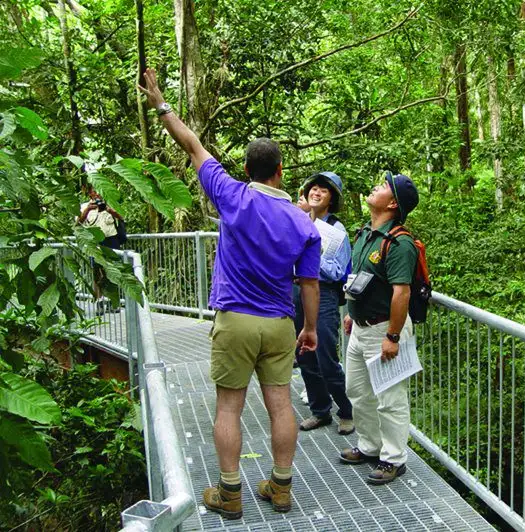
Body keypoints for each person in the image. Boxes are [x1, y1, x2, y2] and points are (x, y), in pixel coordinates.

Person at [139, 68, 322, 519]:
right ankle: (281, 488)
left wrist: (161, 102)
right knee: (281, 404)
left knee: (229, 406)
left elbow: (191, 144)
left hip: (235, 319)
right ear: (282, 172)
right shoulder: (304, 222)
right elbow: (310, 283)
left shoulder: (231, 194)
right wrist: (310, 328)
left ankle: (230, 493)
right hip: (280, 323)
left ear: (246, 169)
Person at [339, 171, 419, 485]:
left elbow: (402, 292)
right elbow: (360, 279)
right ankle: (370, 446)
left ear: (393, 204)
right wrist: (350, 313)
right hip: (359, 328)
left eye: (384, 186)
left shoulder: (400, 243)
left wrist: (393, 336)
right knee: (357, 391)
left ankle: (394, 459)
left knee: (390, 398)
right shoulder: (365, 235)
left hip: (385, 329)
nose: (377, 186)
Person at [293, 172, 354, 434]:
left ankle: (347, 411)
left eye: (323, 190)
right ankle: (320, 411)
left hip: (324, 295)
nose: (316, 193)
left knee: (327, 357)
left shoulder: (337, 231)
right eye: (313, 188)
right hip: (297, 293)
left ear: (332, 199)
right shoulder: (299, 222)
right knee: (304, 354)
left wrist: (313, 254)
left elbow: (338, 271)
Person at [77, 187, 124, 313]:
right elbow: (78, 223)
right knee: (97, 272)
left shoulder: (111, 203)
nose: (97, 193)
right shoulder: (84, 206)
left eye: (99, 190)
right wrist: (88, 210)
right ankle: (99, 301)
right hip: (95, 242)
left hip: (111, 240)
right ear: (90, 193)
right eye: (94, 191)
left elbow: (123, 217)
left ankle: (113, 301)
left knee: (113, 271)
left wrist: (112, 212)